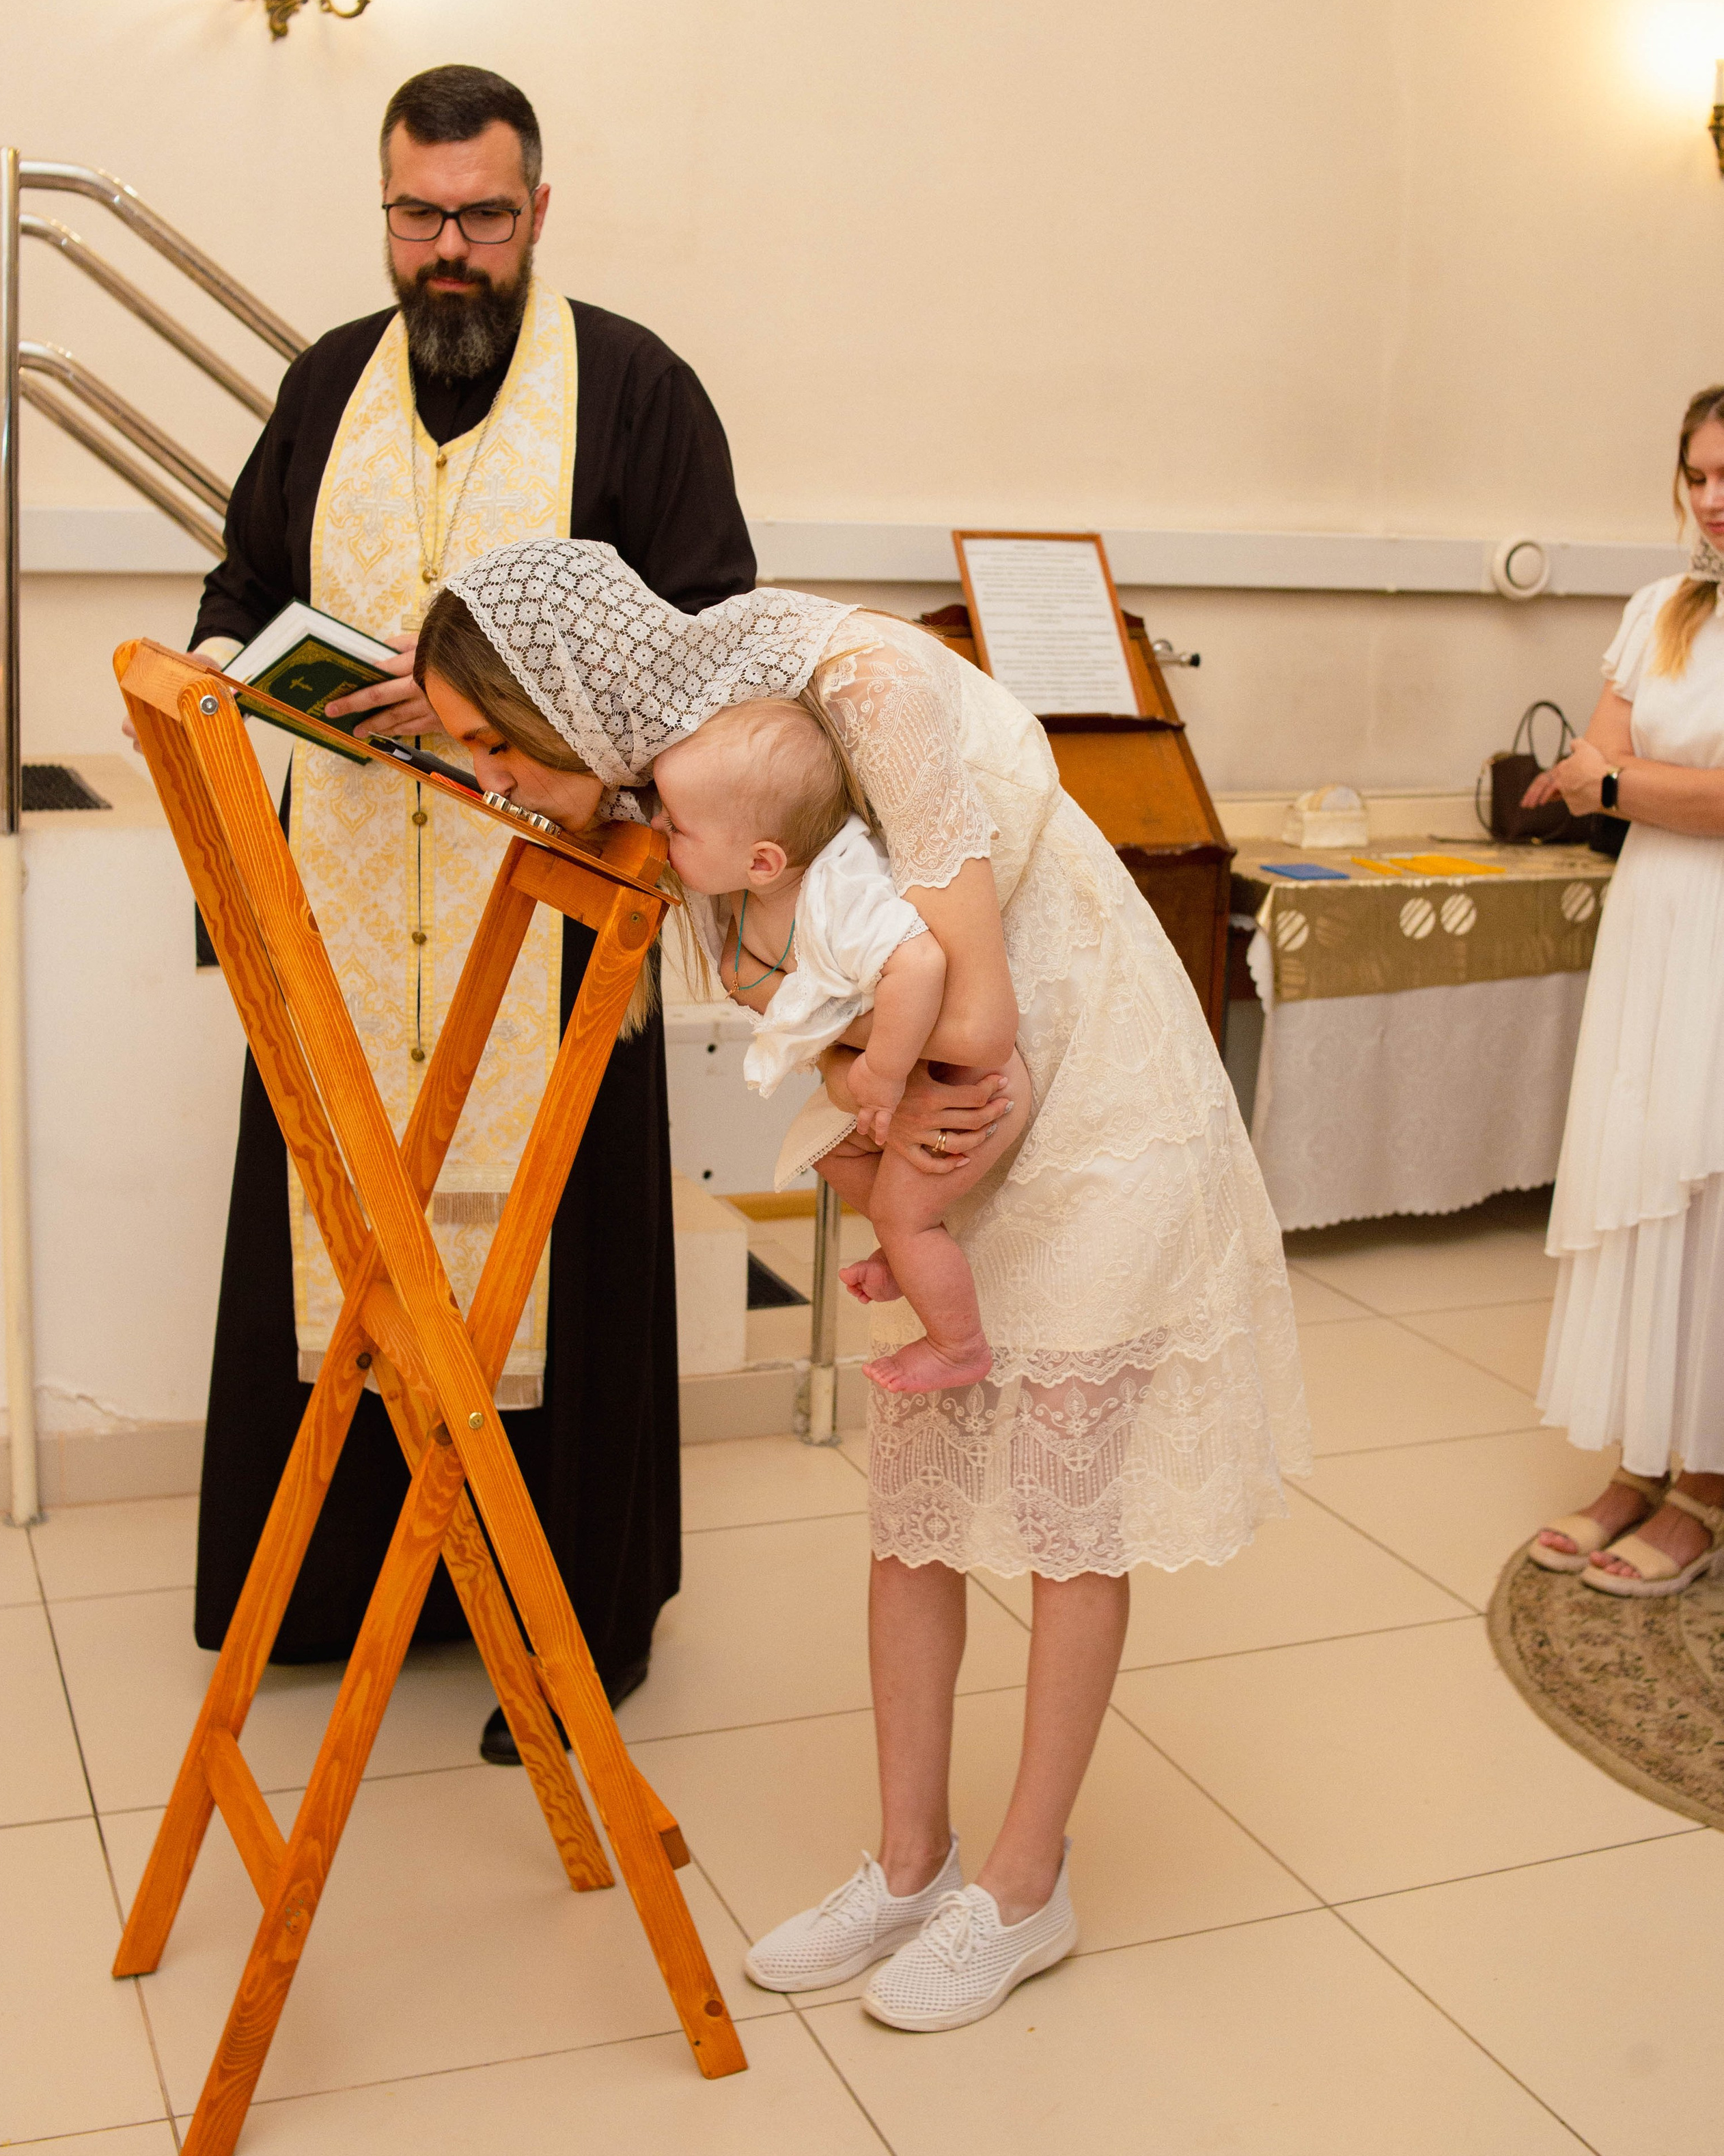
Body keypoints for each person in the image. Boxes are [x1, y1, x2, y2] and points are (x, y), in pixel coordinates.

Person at [413, 535, 1310, 2032]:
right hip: (936, 1117)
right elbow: (786, 1009)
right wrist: (856, 1079)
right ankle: (908, 1860)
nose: (487, 776)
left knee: (1065, 1507)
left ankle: (1024, 1882)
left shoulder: (852, 688)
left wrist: (858, 1072)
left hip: (1082, 1088)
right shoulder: (678, 768)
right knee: (917, 1501)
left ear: (562, 699)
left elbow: (975, 1017)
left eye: (493, 744)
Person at [184, 65, 755, 1761]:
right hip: (346, 928)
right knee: (343, 1241)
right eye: (418, 215)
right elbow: (242, 582)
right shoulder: (323, 385)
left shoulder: (636, 393)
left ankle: (564, 1621)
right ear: (384, 210)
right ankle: (345, 1587)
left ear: (537, 211)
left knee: (553, 1270)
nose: (448, 249)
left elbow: (711, 650)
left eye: (482, 216)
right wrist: (229, 673)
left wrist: (494, 713)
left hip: (548, 935)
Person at [648, 697, 1032, 1392]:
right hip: (912, 1064)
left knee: (903, 1213)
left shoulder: (840, 892)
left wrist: (882, 1072)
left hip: (968, 1079)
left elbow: (920, 962)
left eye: (676, 825)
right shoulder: (748, 890)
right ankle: (905, 1247)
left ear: (763, 859)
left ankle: (958, 1344)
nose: (657, 829)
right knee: (829, 1151)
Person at [1525, 384, 1724, 1597]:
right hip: (1653, 915)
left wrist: (1615, 784)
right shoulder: (1658, 607)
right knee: (1642, 1167)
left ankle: (1707, 1481)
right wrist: (1624, 783)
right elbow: (1595, 757)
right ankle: (1639, 1459)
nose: (1712, 498)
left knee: (1712, 1187)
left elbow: (1615, 776)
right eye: (1698, 474)